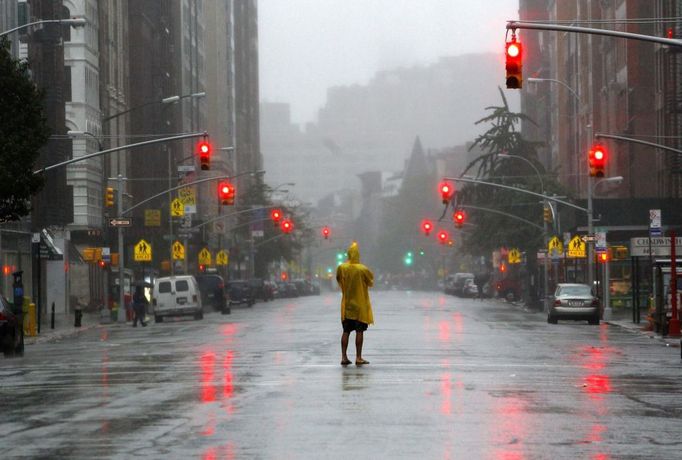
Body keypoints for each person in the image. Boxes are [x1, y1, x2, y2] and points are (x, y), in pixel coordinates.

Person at [336, 242, 374, 366]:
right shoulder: (362, 269)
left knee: (346, 331)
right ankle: (358, 357)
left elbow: (338, 279)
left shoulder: (342, 268)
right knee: (359, 331)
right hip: (360, 306)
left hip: (346, 306)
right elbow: (370, 281)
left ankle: (343, 357)